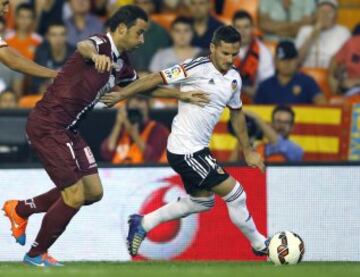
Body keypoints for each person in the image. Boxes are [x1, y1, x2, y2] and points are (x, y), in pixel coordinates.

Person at [2, 5, 208, 267]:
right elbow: (82, 46)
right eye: (139, 33)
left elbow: (141, 88)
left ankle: (21, 209)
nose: (142, 40)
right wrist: (96, 56)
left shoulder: (122, 64)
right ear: (121, 29)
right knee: (74, 196)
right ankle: (35, 253)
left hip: (69, 129)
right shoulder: (100, 44)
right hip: (48, 125)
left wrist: (181, 95)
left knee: (93, 191)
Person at [100, 26, 269, 258]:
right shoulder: (196, 67)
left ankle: (143, 223)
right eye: (225, 53)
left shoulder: (234, 79)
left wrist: (248, 150)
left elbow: (237, 113)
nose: (229, 59)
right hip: (185, 150)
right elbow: (154, 78)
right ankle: (261, 245)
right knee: (237, 194)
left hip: (198, 149)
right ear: (213, 48)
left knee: (202, 202)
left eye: (234, 54)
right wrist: (122, 94)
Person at [101, 95, 169, 164]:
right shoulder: (122, 129)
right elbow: (107, 153)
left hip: (145, 172)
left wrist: (134, 134)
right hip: (119, 172)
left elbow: (153, 157)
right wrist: (118, 123)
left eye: (140, 100)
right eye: (132, 100)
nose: (136, 104)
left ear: (148, 105)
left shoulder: (158, 130)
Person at [255, 40, 326, 105]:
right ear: (275, 61)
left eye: (291, 59)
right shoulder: (265, 86)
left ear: (297, 61)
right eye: (283, 60)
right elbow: (257, 113)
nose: (287, 63)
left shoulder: (307, 82)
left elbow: (322, 105)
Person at [0, 0, 57, 80]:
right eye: (4, 4)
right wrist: (54, 74)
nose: (7, 10)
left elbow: (14, 58)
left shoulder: (39, 40)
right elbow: (13, 61)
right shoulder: (7, 36)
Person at [230, 106, 303, 162]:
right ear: (272, 124)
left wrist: (255, 118)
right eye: (278, 121)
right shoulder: (259, 148)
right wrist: (242, 137)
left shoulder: (296, 149)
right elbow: (232, 168)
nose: (281, 126)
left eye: (286, 122)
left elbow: (278, 142)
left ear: (292, 127)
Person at [232, 10, 274, 101]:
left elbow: (268, 87)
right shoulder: (223, 50)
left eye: (246, 27)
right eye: (238, 27)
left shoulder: (263, 52)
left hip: (254, 103)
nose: (242, 32)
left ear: (252, 28)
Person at [295, 0, 351, 68]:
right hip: (306, 74)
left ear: (336, 16)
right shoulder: (305, 30)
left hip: (332, 75)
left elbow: (348, 62)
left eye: (329, 12)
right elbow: (296, 61)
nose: (325, 15)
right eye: (322, 11)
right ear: (316, 14)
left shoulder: (344, 32)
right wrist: (313, 34)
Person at [127, 0, 171, 73]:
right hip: (127, 77)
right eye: (137, 3)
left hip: (154, 77)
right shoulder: (124, 30)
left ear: (152, 6)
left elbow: (164, 60)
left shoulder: (161, 32)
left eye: (145, 3)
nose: (140, 7)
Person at [31, 21, 75, 93]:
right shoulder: (41, 53)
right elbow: (35, 82)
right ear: (48, 37)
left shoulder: (74, 54)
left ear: (67, 36)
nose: (58, 39)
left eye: (62, 34)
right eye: (54, 35)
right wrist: (41, 88)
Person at [328, 23, 360, 97]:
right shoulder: (352, 43)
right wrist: (333, 77)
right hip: (352, 90)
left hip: (353, 85)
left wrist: (356, 81)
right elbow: (335, 61)